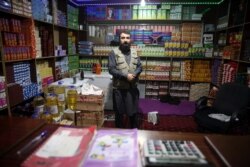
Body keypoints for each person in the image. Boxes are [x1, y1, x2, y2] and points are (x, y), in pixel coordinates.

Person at [108, 30, 142, 129]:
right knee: (119, 114)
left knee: (133, 114)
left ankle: (134, 133)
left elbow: (140, 67)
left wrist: (135, 74)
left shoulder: (135, 52)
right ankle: (120, 135)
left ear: (130, 39)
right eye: (123, 38)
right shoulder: (113, 53)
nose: (125, 40)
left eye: (127, 38)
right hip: (119, 89)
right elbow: (111, 69)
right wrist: (125, 76)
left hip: (132, 89)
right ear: (119, 39)